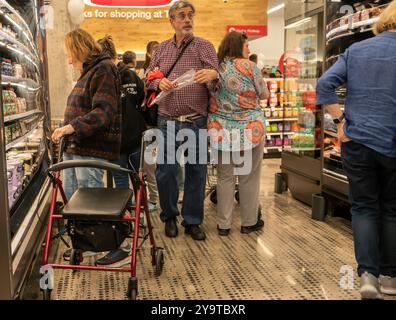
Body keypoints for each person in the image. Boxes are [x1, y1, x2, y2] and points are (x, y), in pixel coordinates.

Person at [316, 1, 396, 299]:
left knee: (363, 208)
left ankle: (367, 277)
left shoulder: (356, 51)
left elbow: (325, 85)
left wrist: (340, 120)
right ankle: (390, 278)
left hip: (357, 140)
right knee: (391, 209)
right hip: (392, 143)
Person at [146, 0, 219, 241]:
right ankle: (169, 216)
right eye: (182, 15)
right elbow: (149, 77)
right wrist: (158, 82)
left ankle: (193, 220)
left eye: (190, 15)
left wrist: (213, 75)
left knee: (196, 172)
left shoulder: (204, 47)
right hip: (167, 121)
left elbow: (216, 84)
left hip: (196, 122)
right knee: (166, 172)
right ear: (172, 21)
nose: (187, 19)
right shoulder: (162, 49)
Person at [208, 31, 268, 236]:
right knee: (248, 177)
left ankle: (224, 225)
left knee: (225, 178)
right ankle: (249, 222)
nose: (249, 49)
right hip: (251, 129)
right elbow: (265, 94)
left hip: (221, 129)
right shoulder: (251, 67)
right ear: (238, 46)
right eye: (246, 46)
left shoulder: (215, 69)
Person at [52, 29, 121, 201]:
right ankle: (77, 228)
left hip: (89, 149)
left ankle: (90, 228)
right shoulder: (91, 71)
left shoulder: (104, 69)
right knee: (73, 201)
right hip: (77, 147)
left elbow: (103, 112)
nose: (69, 61)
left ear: (79, 50)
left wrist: (71, 126)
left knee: (88, 204)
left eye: (70, 55)